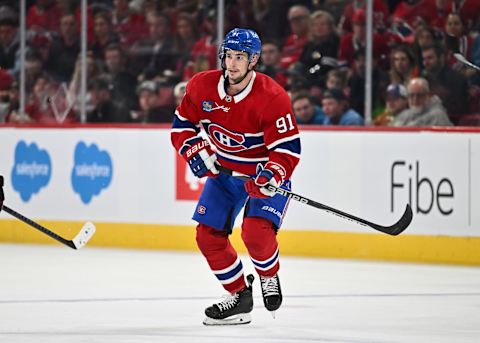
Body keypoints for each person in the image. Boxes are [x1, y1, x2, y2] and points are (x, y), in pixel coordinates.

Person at [170, 28, 301, 325]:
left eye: (240, 57)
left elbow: (288, 149)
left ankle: (268, 275)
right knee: (206, 236)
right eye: (229, 55)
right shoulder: (202, 86)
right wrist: (192, 147)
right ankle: (240, 296)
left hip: (262, 176)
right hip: (226, 176)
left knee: (255, 233)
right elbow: (182, 124)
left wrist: (272, 174)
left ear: (253, 60)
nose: (232, 64)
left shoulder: (272, 97)